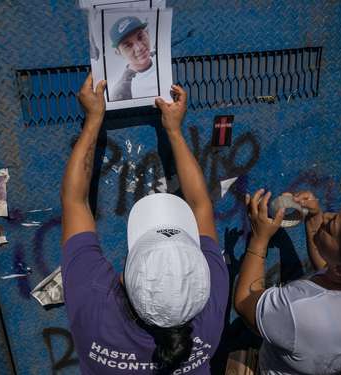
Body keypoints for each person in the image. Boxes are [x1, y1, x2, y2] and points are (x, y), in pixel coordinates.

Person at [60, 74, 229, 374]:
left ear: (124, 278)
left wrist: (93, 120)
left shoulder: (95, 305)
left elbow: (75, 201)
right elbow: (202, 205)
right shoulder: (211, 315)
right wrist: (174, 132)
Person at [234, 189, 341, 374]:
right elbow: (327, 266)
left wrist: (259, 238)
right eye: (337, 214)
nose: (327, 215)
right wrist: (314, 219)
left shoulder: (302, 310)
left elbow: (244, 301)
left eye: (331, 225)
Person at [109, 16, 158, 101]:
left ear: (147, 33)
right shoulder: (121, 91)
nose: (139, 48)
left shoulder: (162, 56)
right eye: (128, 45)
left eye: (140, 37)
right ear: (118, 53)